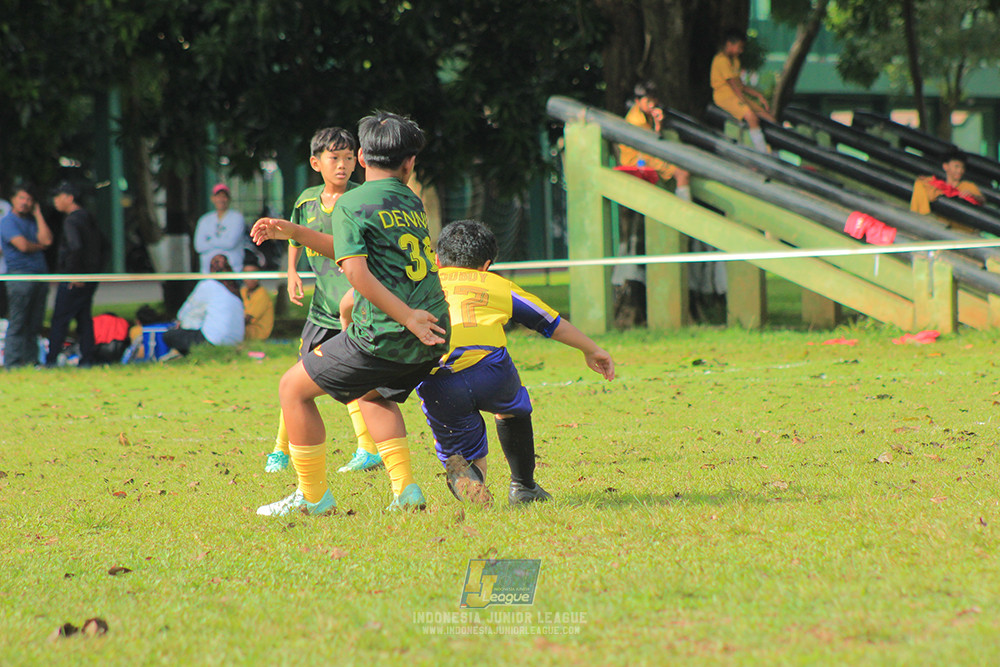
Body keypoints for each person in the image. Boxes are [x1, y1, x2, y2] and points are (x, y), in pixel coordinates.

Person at [250, 110, 449, 517]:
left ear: (360, 157)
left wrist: (406, 317)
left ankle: (313, 498)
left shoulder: (353, 202)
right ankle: (406, 490)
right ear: (410, 163)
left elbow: (355, 272)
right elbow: (357, 251)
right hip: (435, 330)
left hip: (390, 333)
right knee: (373, 394)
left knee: (292, 388)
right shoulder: (410, 201)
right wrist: (295, 231)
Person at [412, 220, 614, 505]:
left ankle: (469, 476)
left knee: (466, 451)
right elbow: (549, 322)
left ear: (437, 259)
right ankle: (523, 485)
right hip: (490, 371)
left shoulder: (421, 286)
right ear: (486, 264)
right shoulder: (496, 284)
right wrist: (591, 349)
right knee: (511, 411)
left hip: (438, 378)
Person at [262, 127, 383, 477]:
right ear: (316, 163)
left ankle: (367, 449)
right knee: (297, 379)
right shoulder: (306, 202)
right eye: (335, 158)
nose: (343, 165)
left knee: (359, 379)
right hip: (322, 310)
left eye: (349, 158)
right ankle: (280, 451)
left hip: (356, 306)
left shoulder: (362, 200)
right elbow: (294, 236)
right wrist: (292, 273)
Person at [46, 181, 104, 367]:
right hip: (90, 277)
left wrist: (73, 274)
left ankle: (52, 360)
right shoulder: (89, 218)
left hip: (74, 278)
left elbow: (75, 247)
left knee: (60, 319)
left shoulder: (72, 220)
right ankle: (87, 359)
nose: (55, 201)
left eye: (58, 196)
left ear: (69, 198)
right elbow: (105, 245)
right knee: (83, 318)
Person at [0, 184, 53, 368]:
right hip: (19, 277)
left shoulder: (32, 220)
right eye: (22, 198)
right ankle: (12, 363)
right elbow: (23, 246)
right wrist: (39, 247)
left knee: (35, 323)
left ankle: (32, 361)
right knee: (18, 322)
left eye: (29, 199)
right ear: (13, 199)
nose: (25, 203)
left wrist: (38, 214)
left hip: (40, 276)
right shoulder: (7, 222)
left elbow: (47, 240)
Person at [617, 81, 691, 201]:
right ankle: (685, 210)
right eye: (648, 101)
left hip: (647, 153)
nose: (652, 105)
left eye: (653, 100)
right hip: (638, 159)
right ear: (637, 101)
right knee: (682, 174)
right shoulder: (637, 121)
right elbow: (652, 143)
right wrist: (658, 125)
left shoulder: (646, 112)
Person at [161, 254, 244, 357]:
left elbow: (186, 312)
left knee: (169, 335)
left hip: (213, 340)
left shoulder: (208, 285)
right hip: (235, 343)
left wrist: (181, 324)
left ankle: (190, 356)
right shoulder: (234, 289)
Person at [711, 29, 775, 153]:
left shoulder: (735, 61)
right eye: (739, 47)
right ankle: (762, 151)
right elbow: (732, 85)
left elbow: (740, 85)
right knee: (751, 116)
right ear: (729, 44)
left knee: (767, 117)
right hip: (725, 96)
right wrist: (744, 101)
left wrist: (758, 96)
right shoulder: (721, 60)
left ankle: (771, 147)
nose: (740, 51)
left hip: (737, 95)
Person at [910, 151, 985, 233]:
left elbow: (982, 200)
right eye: (956, 167)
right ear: (945, 166)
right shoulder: (939, 187)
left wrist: (973, 196)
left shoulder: (968, 186)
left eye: (962, 167)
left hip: (964, 232)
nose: (960, 171)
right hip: (942, 228)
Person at [193, 183, 245, 274]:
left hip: (232, 271)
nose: (221, 200)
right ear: (212, 198)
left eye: (224, 196)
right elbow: (199, 247)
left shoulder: (237, 218)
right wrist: (221, 242)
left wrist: (210, 241)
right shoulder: (204, 220)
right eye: (218, 196)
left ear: (229, 199)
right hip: (207, 272)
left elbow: (230, 243)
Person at [240, 259, 274, 340]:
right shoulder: (243, 291)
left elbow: (248, 319)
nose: (249, 278)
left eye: (252, 274)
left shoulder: (262, 294)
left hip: (257, 334)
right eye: (246, 275)